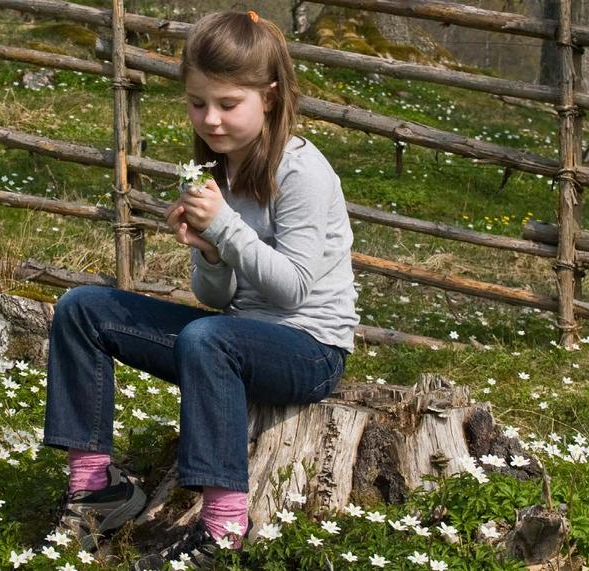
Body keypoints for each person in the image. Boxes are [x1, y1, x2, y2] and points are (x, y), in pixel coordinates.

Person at [42, 9, 359, 569]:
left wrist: (224, 228)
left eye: (228, 104)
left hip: (310, 350)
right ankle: (97, 489)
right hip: (232, 338)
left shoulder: (302, 172)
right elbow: (216, 297)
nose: (210, 120)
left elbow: (294, 288)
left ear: (271, 95)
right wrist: (210, 252)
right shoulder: (212, 168)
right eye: (197, 103)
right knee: (81, 308)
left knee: (209, 339)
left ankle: (222, 529)